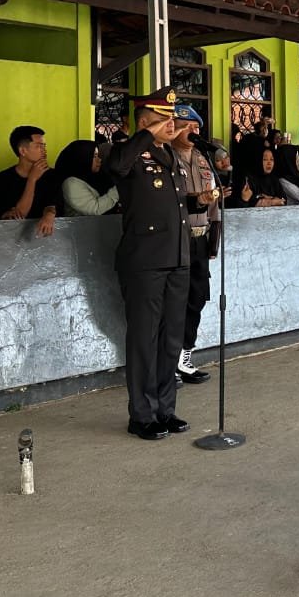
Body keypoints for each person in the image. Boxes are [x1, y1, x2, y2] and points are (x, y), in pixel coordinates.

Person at [106, 87, 192, 441]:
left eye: (172, 119)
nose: (172, 124)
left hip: (176, 258)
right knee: (144, 339)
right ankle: (142, 415)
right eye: (163, 119)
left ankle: (164, 410)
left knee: (170, 338)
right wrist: (145, 136)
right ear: (144, 123)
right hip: (145, 261)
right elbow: (117, 165)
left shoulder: (170, 155)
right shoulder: (126, 153)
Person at [171, 103, 219, 388]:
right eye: (187, 126)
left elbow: (213, 202)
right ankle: (168, 361)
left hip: (200, 239)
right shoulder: (166, 157)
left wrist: (214, 237)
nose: (193, 131)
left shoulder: (202, 158)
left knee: (196, 299)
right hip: (176, 238)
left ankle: (184, 357)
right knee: (174, 302)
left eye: (196, 127)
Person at [0, 126, 60, 237]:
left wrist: (49, 214)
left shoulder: (52, 176)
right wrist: (32, 179)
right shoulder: (3, 179)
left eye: (44, 146)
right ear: (22, 151)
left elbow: (53, 205)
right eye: (38, 146)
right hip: (12, 239)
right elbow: (20, 215)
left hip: (45, 238)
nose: (44, 150)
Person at [55, 140, 119, 216]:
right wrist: (119, 188)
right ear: (82, 158)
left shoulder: (96, 176)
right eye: (94, 156)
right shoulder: (71, 183)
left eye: (98, 156)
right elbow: (95, 209)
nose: (99, 160)